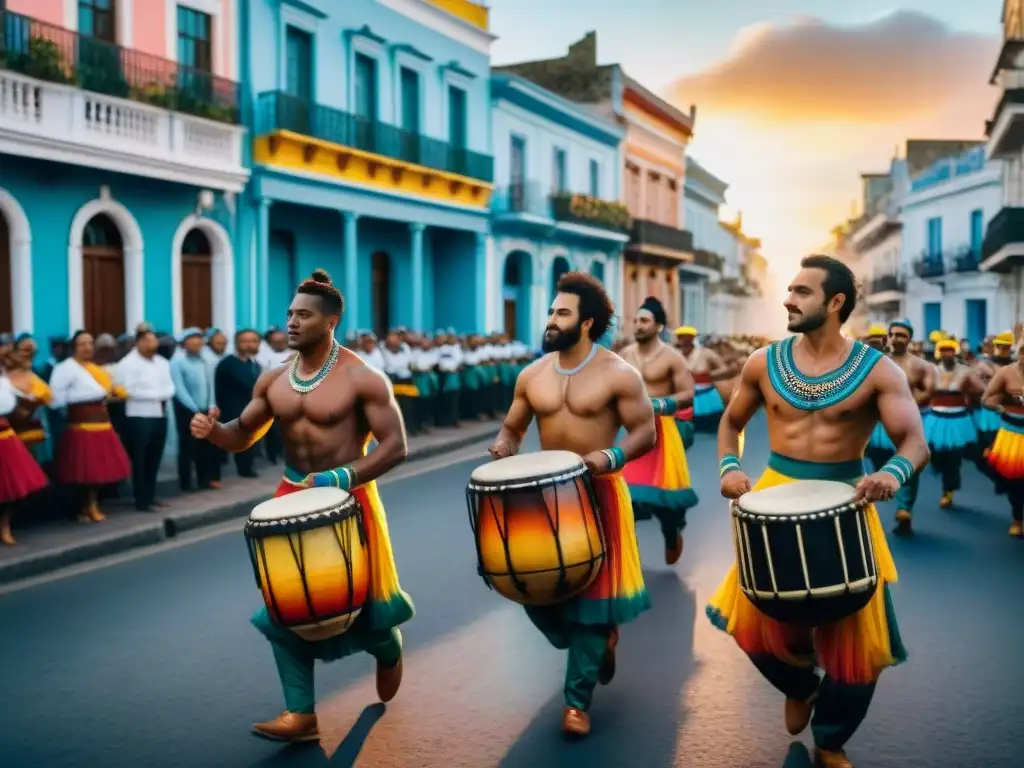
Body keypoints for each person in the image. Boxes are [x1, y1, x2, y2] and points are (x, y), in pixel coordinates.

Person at [707, 255, 929, 768]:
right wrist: (728, 467)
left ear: (834, 303)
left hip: (848, 503)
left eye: (801, 292)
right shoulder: (762, 362)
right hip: (770, 502)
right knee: (755, 627)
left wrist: (891, 474)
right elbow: (730, 423)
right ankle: (799, 682)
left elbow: (914, 442)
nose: (788, 299)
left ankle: (830, 739)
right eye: (788, 289)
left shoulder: (879, 370)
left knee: (858, 650)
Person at [190, 269, 414, 742]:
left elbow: (395, 446)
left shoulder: (362, 377)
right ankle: (301, 715)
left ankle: (388, 648)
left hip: (348, 499)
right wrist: (216, 433)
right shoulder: (274, 379)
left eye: (303, 315)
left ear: (330, 321)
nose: (291, 322)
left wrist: (343, 475)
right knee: (286, 607)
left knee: (363, 607)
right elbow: (243, 434)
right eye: (290, 313)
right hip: (291, 498)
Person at [488, 271, 655, 738]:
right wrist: (503, 447)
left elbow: (646, 432)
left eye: (562, 312)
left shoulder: (619, 374)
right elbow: (513, 427)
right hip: (539, 497)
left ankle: (576, 703)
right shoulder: (531, 374)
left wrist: (611, 455)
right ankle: (599, 642)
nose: (551, 319)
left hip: (597, 494)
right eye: (551, 311)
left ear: (587, 323)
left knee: (591, 605)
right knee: (530, 590)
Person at [618, 296, 698, 564]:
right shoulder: (623, 356)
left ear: (659, 326)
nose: (638, 325)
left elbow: (688, 394)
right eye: (636, 320)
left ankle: (671, 531)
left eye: (645, 321)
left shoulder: (672, 358)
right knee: (626, 495)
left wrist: (661, 404)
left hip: (664, 431)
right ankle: (626, 559)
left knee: (664, 499)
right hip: (633, 430)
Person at [48, 331, 132, 523]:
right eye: (82, 344)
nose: (87, 347)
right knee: (82, 470)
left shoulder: (95, 369)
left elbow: (105, 391)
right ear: (73, 347)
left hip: (100, 424)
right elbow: (55, 400)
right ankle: (81, 508)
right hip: (81, 426)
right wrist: (84, 398)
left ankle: (93, 505)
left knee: (97, 470)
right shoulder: (65, 369)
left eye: (89, 343)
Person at [863, 319, 934, 535]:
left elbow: (929, 390)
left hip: (906, 424)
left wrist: (908, 406)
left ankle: (905, 509)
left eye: (901, 335)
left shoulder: (920, 365)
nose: (896, 339)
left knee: (908, 464)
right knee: (877, 462)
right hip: (878, 426)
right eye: (893, 334)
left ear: (909, 338)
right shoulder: (879, 362)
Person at [115, 329, 175, 511]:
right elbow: (125, 390)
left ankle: (150, 494)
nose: (151, 344)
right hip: (138, 416)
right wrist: (155, 394)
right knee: (140, 459)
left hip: (159, 414)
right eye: (147, 341)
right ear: (138, 342)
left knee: (154, 457)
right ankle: (141, 499)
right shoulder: (128, 363)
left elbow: (170, 386)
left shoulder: (162, 362)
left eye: (154, 341)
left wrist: (158, 394)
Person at [927, 339, 983, 509]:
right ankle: (944, 474)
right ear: (939, 353)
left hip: (958, 420)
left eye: (950, 350)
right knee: (936, 455)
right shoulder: (933, 371)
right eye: (943, 350)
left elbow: (982, 389)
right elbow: (922, 390)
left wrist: (970, 393)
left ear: (955, 352)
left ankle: (948, 491)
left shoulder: (965, 372)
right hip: (936, 419)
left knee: (953, 458)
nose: (947, 354)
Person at [981, 330, 1024, 537]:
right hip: (1013, 435)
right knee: (1016, 481)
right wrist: (1000, 407)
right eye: (1023, 351)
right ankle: (1018, 517)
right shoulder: (1006, 372)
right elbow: (987, 399)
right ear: (1017, 352)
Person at [171, 329, 221, 492]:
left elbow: (211, 384)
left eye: (199, 340)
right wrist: (195, 409)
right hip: (186, 410)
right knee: (187, 447)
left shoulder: (205, 361)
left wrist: (212, 405)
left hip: (205, 409)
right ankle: (186, 482)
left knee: (205, 446)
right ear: (184, 344)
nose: (197, 343)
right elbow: (179, 389)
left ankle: (204, 479)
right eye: (192, 340)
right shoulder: (177, 362)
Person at [214, 329, 263, 478]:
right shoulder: (227, 364)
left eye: (254, 341)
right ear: (236, 343)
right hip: (232, 409)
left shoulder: (254, 364)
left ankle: (246, 467)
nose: (250, 344)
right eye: (245, 341)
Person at [673, 326, 734, 432]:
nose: (683, 342)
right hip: (684, 395)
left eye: (686, 338)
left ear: (692, 339)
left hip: (705, 395)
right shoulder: (674, 355)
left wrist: (709, 375)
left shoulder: (705, 353)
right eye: (681, 338)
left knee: (709, 426)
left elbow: (724, 368)